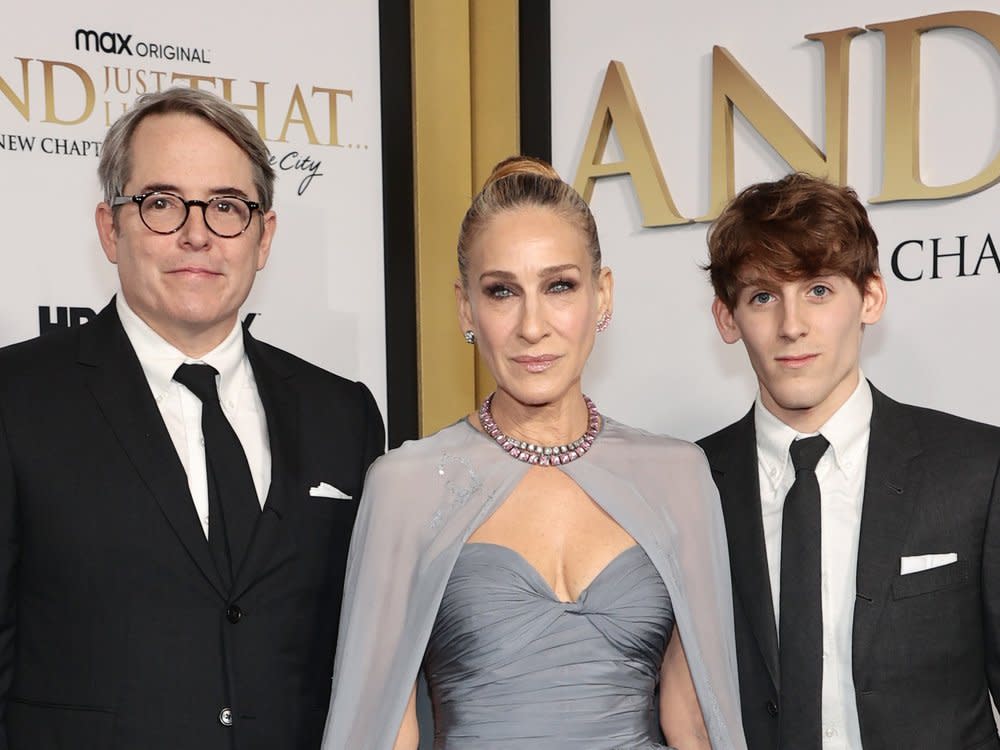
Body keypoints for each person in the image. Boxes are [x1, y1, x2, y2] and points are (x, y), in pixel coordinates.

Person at [0, 87, 384, 750]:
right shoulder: (16, 398)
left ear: (264, 237)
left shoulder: (342, 413)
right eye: (162, 203)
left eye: (228, 207)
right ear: (108, 228)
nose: (197, 232)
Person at [322, 156, 747, 750]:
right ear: (467, 309)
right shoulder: (407, 484)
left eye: (559, 286)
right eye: (502, 292)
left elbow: (698, 720)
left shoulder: (678, 475)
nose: (532, 325)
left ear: (602, 295)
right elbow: (381, 730)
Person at [697, 173, 1000, 749]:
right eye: (763, 296)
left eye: (818, 290)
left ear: (871, 297)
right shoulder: (689, 484)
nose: (792, 326)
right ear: (727, 319)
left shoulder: (978, 470)